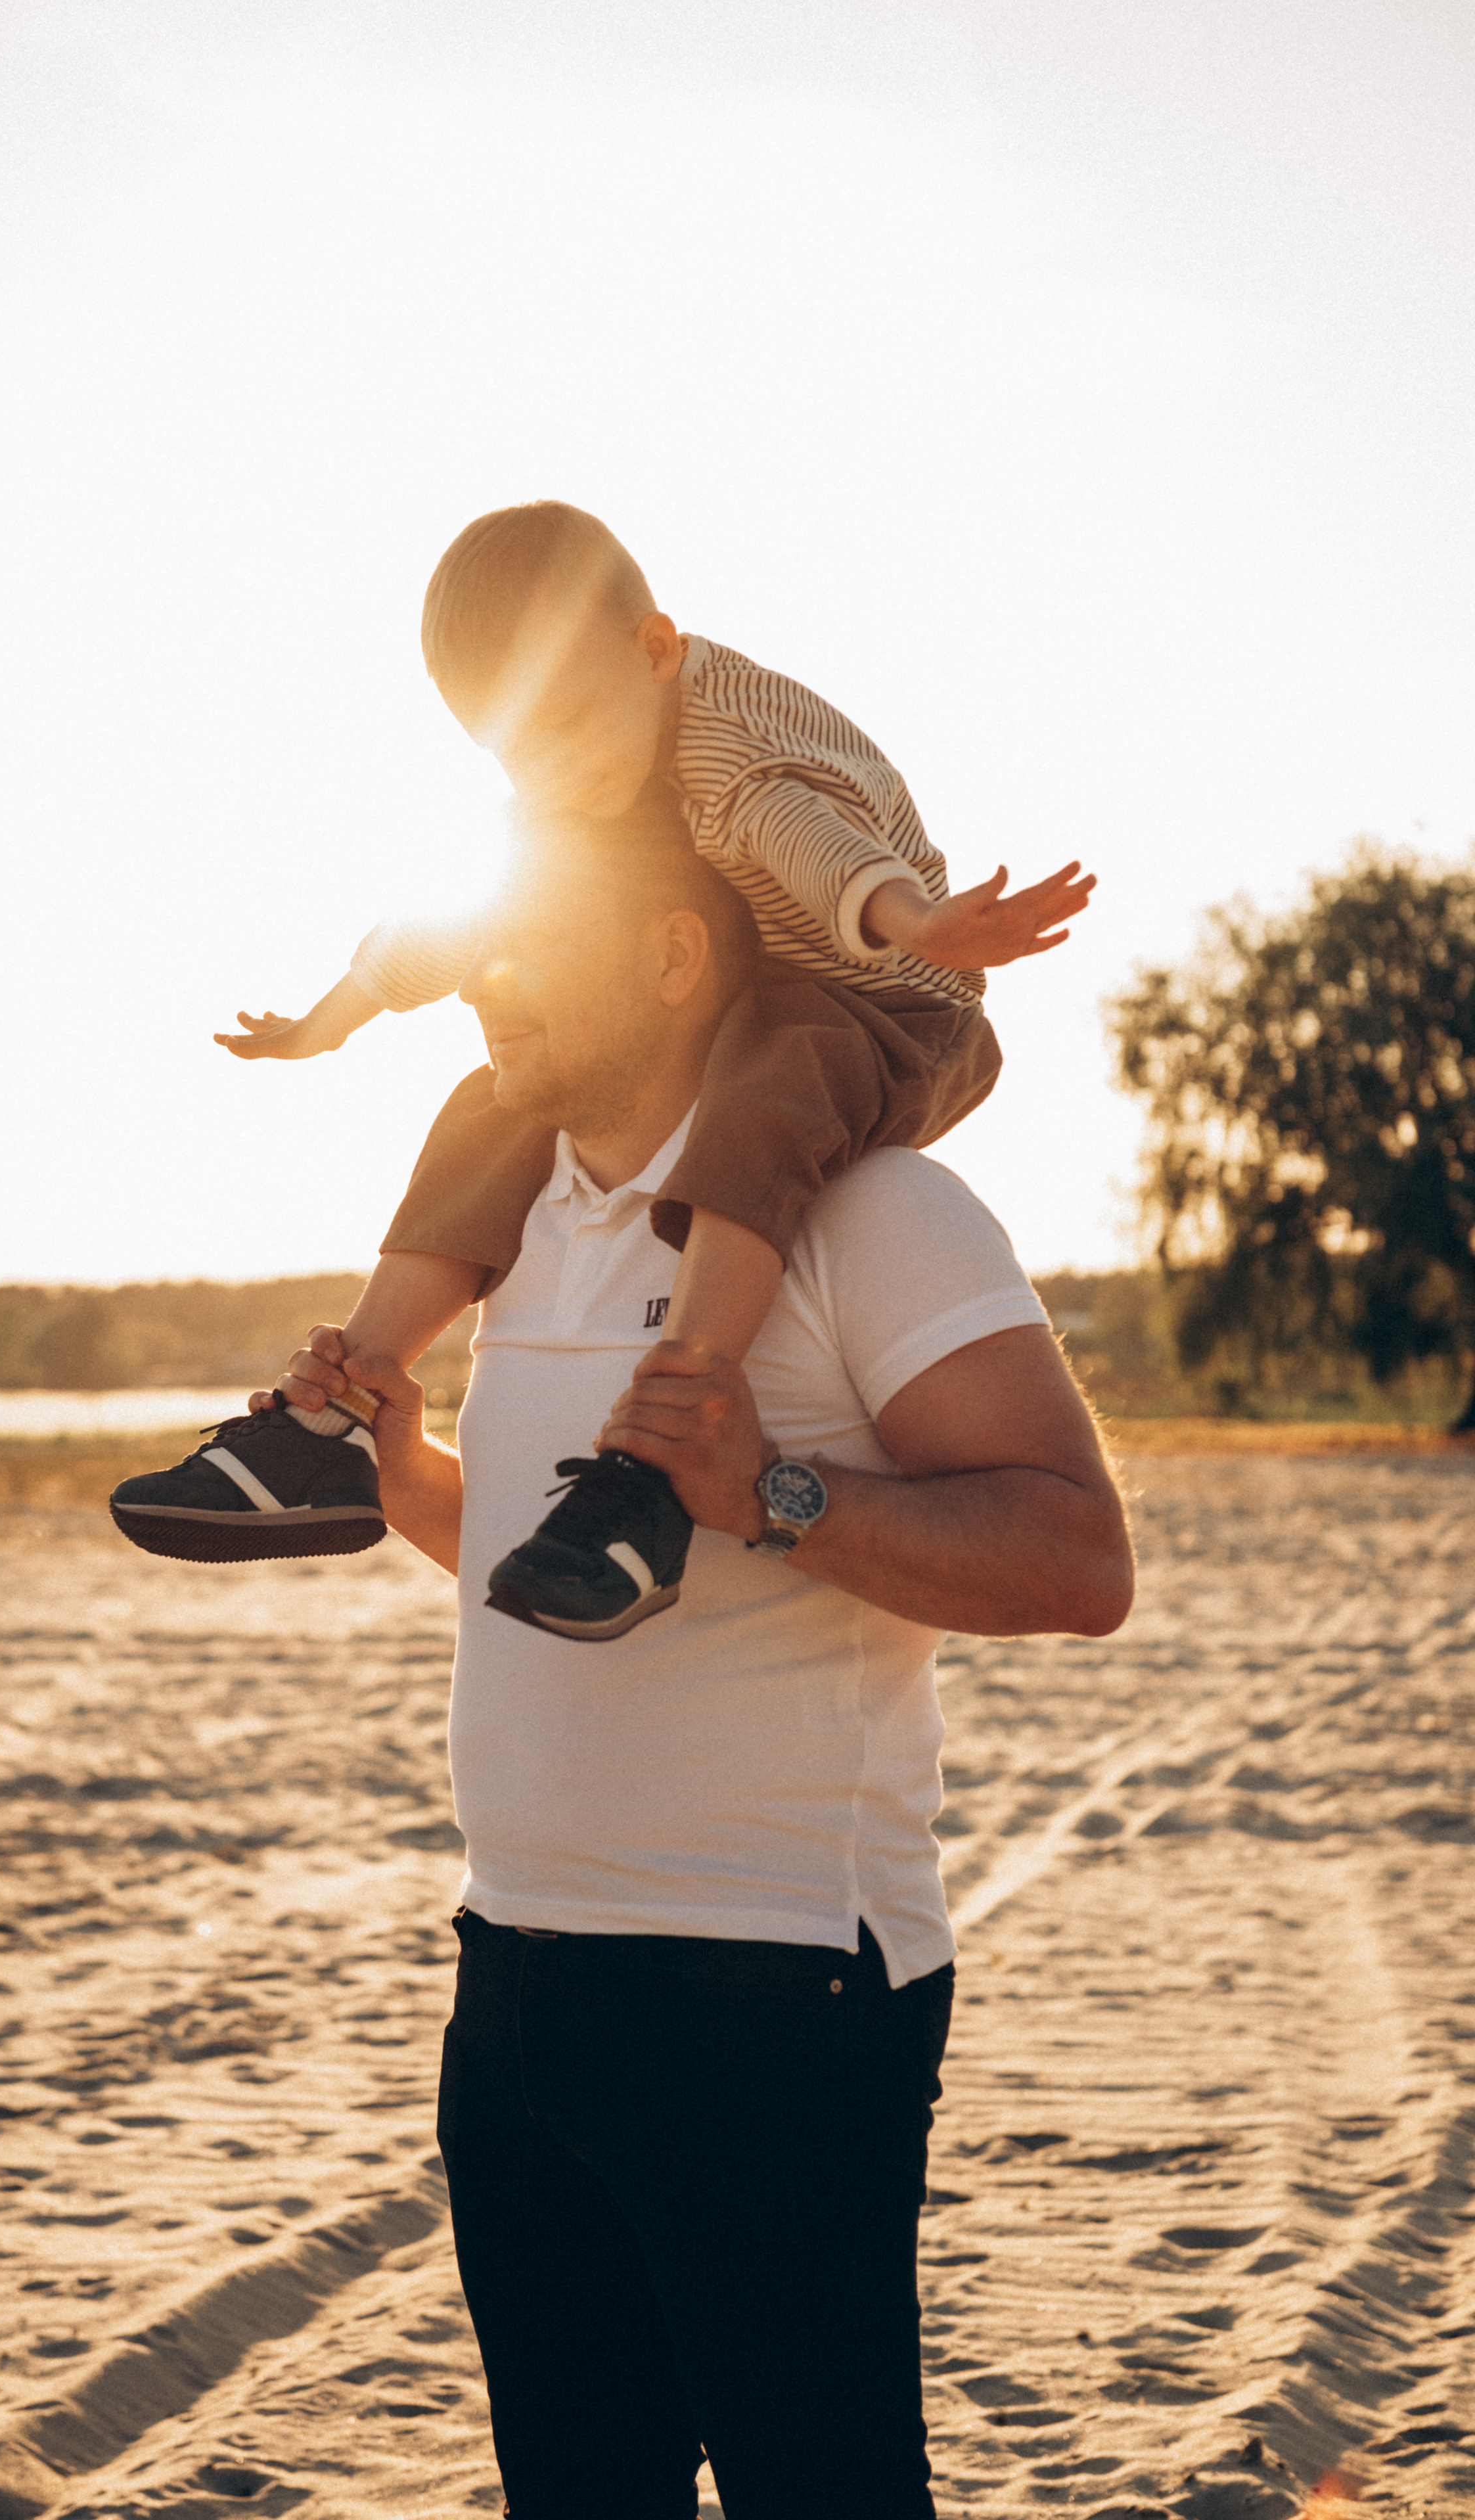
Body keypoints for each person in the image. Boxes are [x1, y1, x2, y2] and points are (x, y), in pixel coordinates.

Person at [250, 815, 1134, 2517]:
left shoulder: (878, 1211)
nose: (484, 979)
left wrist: (773, 1488)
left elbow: (1077, 1555)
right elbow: (551, 1566)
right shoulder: (531, 1230)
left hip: (777, 1991)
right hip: (510, 1984)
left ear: (675, 955)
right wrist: (412, 1472)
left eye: (529, 942)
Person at [110, 503, 1094, 1641]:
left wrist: (917, 917)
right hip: (762, 993)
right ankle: (336, 1411)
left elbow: (809, 845)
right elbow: (463, 915)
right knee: (500, 1093)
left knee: (777, 1078)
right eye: (523, 752)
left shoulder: (730, 752)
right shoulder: (572, 783)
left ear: (656, 649)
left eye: (572, 728)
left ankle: (673, 1427)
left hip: (891, 989)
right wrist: (330, 1021)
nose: (557, 775)